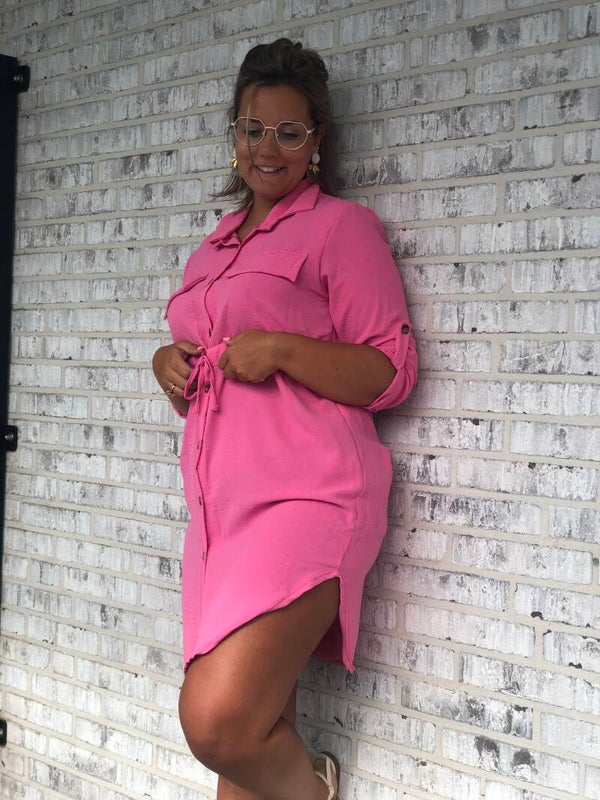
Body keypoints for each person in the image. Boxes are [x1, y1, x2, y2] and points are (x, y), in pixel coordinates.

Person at [152, 38, 417, 800]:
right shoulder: (212, 250)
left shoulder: (340, 228)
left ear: (316, 140)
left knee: (218, 723)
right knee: (252, 740)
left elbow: (391, 370)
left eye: (289, 132)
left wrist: (283, 350)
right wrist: (167, 364)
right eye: (253, 129)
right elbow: (209, 357)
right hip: (220, 515)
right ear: (234, 135)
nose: (268, 148)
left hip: (310, 495)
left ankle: (317, 790)